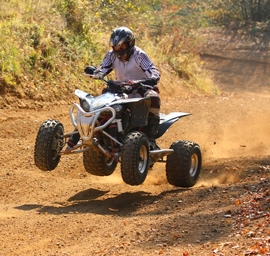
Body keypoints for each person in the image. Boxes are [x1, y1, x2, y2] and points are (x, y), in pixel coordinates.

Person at [65, 26, 161, 151]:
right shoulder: (111, 56)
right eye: (116, 47)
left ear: (130, 44)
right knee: (100, 101)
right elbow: (102, 69)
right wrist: (95, 72)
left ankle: (151, 138)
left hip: (140, 88)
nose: (119, 50)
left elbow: (153, 70)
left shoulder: (139, 55)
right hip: (119, 89)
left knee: (152, 97)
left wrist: (152, 78)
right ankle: (91, 131)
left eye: (122, 47)